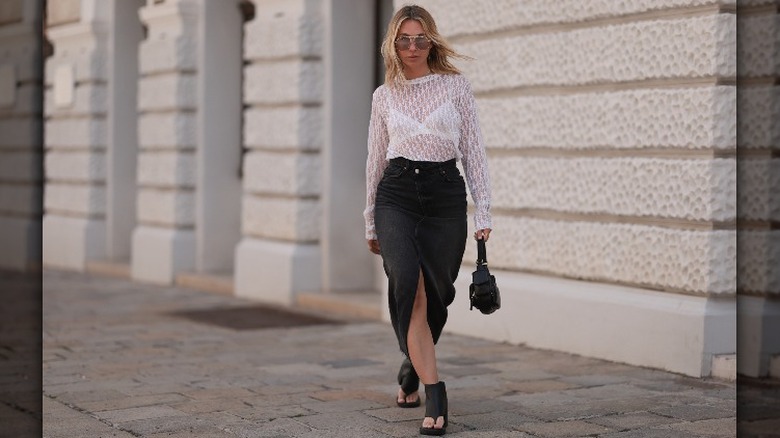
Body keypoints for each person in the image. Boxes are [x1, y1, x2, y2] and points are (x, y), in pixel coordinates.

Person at [363, 4, 492, 435]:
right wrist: (369, 219)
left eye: (419, 38)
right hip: (396, 195)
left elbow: (473, 151)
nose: (412, 46)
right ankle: (436, 393)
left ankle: (413, 363)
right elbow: (374, 162)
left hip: (444, 198)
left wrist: (484, 209)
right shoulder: (384, 96)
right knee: (408, 286)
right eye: (404, 39)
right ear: (393, 44)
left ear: (431, 40)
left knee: (438, 294)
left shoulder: (456, 87)